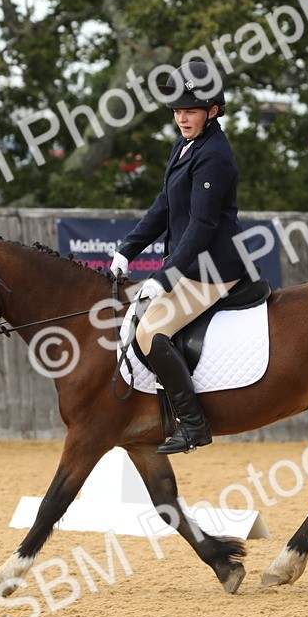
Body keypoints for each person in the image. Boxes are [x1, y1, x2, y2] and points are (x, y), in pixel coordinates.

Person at [110, 60, 248, 454]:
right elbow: (164, 207)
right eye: (177, 111)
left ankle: (193, 425)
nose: (182, 117)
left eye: (190, 110)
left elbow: (202, 227)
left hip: (214, 269)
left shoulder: (215, 156)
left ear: (213, 111)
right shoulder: (184, 146)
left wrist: (164, 277)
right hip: (191, 264)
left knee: (151, 332)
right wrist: (127, 250)